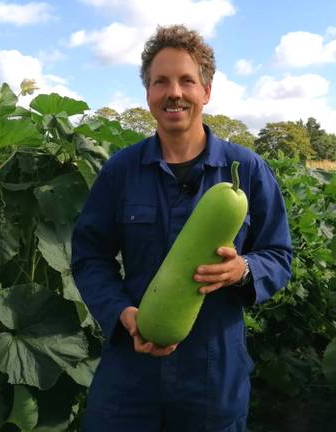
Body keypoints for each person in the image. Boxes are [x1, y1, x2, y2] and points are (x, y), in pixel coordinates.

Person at [71, 24, 292, 431]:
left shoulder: (248, 171)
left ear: (206, 91)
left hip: (214, 367)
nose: (174, 92)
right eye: (161, 82)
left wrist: (243, 269)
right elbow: (89, 258)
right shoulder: (121, 170)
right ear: (149, 93)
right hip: (131, 362)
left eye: (186, 80)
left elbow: (279, 255)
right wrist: (121, 313)